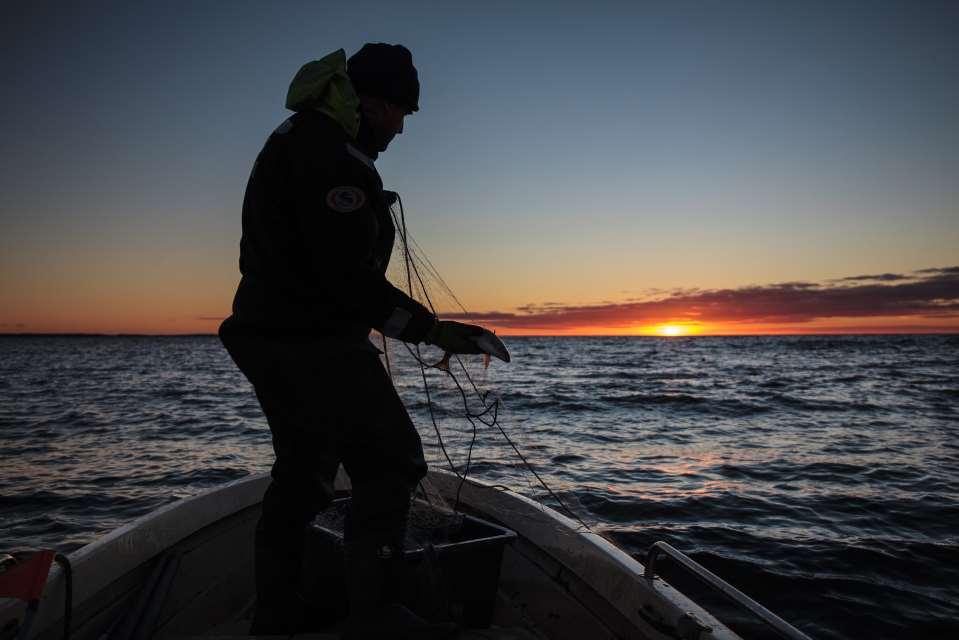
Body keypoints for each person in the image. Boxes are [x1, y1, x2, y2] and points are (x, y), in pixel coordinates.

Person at [219, 43, 486, 639]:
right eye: (400, 113)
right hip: (309, 341)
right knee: (392, 460)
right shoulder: (330, 159)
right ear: (371, 101)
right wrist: (434, 331)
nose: (400, 127)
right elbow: (346, 281)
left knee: (305, 467)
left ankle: (279, 611)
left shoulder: (301, 140)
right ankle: (377, 617)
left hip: (270, 335)